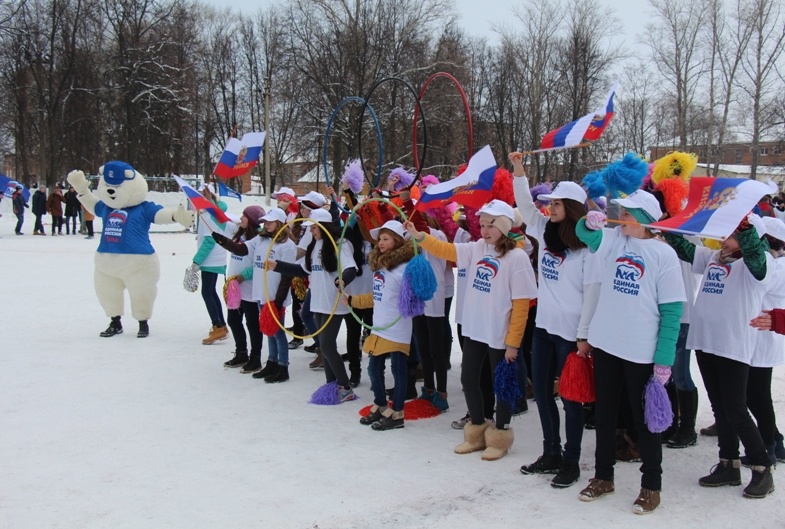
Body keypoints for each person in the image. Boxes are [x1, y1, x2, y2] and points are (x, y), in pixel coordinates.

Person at [575, 190, 686, 515]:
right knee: (605, 415)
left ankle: (651, 485)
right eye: (621, 213)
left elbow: (672, 313)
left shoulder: (663, 255)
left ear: (646, 220)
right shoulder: (614, 241)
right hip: (607, 345)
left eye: (627, 214)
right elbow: (585, 233)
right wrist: (588, 219)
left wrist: (664, 360)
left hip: (640, 352)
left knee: (645, 423)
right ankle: (603, 476)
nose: (620, 217)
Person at [405, 200, 537, 461]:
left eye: (491, 226)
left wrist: (513, 343)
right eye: (483, 224)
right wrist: (420, 236)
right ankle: (477, 430)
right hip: (476, 330)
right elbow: (447, 250)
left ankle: (499, 435)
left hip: (500, 334)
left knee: (502, 387)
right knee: (469, 380)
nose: (485, 230)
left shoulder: (517, 257)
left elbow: (522, 305)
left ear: (504, 227)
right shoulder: (477, 248)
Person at [666, 214, 775, 499]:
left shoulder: (757, 264)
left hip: (732, 344)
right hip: (706, 340)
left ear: (747, 238)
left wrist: (746, 229)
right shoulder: (716, 256)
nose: (723, 237)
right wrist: (667, 224)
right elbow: (685, 249)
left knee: (736, 409)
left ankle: (763, 466)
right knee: (720, 408)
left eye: (731, 233)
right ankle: (729, 463)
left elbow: (753, 254)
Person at [510, 151, 596, 488]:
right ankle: (551, 452)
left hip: (572, 335)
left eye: (557, 203)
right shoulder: (544, 229)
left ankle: (571, 461)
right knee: (543, 394)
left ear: (573, 208)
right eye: (551, 202)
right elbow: (525, 208)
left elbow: (592, 294)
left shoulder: (588, 249)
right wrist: (519, 171)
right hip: (544, 329)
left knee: (572, 399)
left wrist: (584, 334)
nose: (550, 207)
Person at [266, 207, 359, 402]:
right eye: (310, 228)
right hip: (317, 302)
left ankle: (345, 387)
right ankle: (331, 384)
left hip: (334, 303)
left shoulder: (340, 244)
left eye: (314, 228)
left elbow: (351, 268)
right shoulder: (314, 246)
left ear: (323, 227)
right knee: (324, 346)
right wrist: (277, 266)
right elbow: (303, 270)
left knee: (326, 345)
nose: (311, 232)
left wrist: (342, 280)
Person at [346, 220, 417, 430]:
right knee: (374, 367)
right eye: (379, 239)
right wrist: (352, 300)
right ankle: (380, 403)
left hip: (397, 327)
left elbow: (416, 297)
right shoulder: (381, 267)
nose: (380, 243)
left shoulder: (404, 269)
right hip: (379, 326)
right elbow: (376, 297)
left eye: (385, 239)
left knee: (397, 368)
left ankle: (397, 414)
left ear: (396, 241)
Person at [215, 207, 296, 380]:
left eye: (270, 222)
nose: (266, 225)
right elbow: (241, 250)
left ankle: (283, 367)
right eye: (265, 222)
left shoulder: (288, 246)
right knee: (268, 330)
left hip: (275, 296)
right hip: (261, 293)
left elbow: (287, 275)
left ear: (280, 223)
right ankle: (272, 362)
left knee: (278, 332)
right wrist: (223, 241)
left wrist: (278, 301)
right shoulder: (260, 240)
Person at [216, 205, 265, 370]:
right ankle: (241, 352)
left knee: (252, 323)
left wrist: (244, 276)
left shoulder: (258, 239)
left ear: (251, 219)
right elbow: (220, 219)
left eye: (244, 215)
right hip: (234, 288)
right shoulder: (238, 234)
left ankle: (255, 357)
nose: (241, 218)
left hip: (249, 288)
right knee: (233, 320)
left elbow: (258, 264)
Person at [193, 185, 236, 346]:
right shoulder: (211, 213)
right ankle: (220, 324)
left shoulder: (210, 215)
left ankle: (218, 325)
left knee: (207, 292)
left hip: (211, 259)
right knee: (210, 292)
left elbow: (209, 241)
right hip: (214, 258)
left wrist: (196, 260)